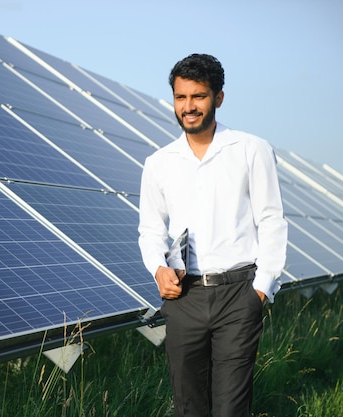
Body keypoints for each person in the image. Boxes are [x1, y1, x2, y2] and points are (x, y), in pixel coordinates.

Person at [138, 53, 288, 417]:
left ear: (218, 97)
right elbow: (150, 230)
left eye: (198, 96)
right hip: (184, 297)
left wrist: (261, 289)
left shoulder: (251, 150)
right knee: (188, 406)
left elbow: (272, 219)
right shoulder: (158, 163)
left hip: (239, 295)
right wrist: (158, 269)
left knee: (230, 408)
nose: (188, 107)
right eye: (180, 97)